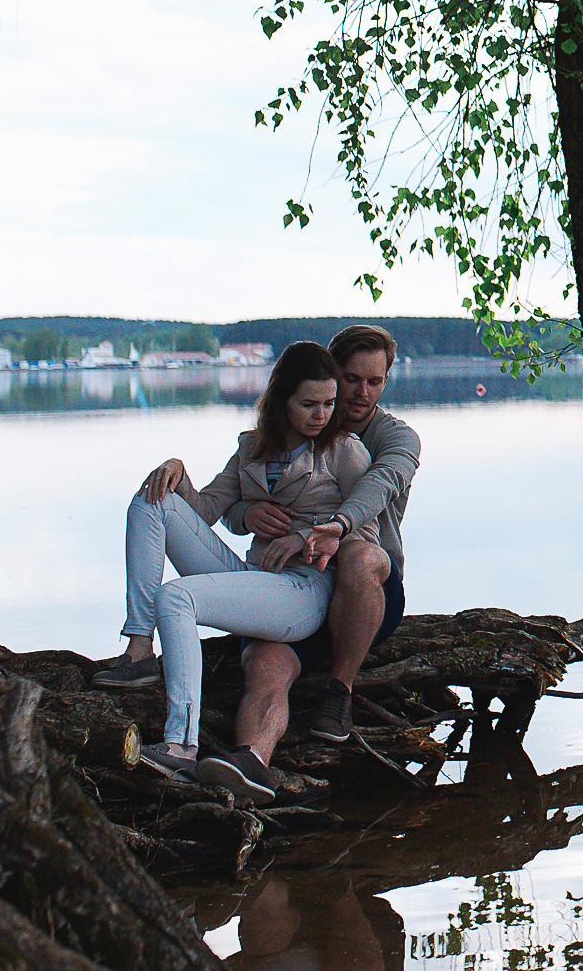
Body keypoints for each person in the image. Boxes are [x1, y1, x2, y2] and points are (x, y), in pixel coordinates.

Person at [92, 340, 380, 802]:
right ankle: (139, 649)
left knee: (177, 596)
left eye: (329, 403)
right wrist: (179, 474)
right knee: (153, 501)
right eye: (309, 404)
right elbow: (205, 510)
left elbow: (367, 539)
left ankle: (181, 746)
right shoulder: (251, 450)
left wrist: (310, 538)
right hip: (256, 581)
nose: (321, 414)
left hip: (302, 593)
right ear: (281, 399)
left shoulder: (345, 452)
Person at [223, 323, 420, 778]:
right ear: (331, 375)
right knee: (264, 665)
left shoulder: (396, 438)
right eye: (352, 379)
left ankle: (340, 691)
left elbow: (380, 482)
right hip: (294, 591)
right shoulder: (296, 425)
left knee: (359, 556)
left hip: (366, 593)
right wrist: (246, 514)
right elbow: (232, 495)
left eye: (375, 382)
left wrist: (333, 526)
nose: (362, 392)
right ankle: (250, 764)